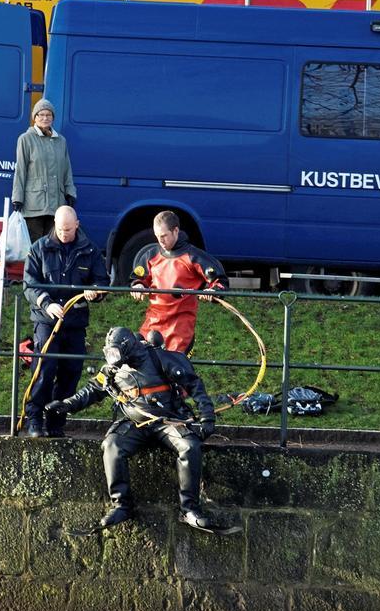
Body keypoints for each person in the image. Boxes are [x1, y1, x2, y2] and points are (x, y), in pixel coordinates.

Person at [45, 326, 216, 530]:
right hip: (134, 423)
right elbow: (92, 391)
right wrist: (66, 404)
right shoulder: (113, 369)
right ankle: (121, 506)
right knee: (112, 445)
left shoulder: (159, 358)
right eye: (109, 352)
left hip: (168, 421)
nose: (112, 357)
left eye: (115, 352)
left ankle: (189, 509)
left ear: (126, 347)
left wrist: (207, 417)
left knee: (189, 446)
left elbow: (194, 384)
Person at [22, 205, 108, 437]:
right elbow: (29, 284)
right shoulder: (39, 249)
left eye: (68, 230)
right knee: (44, 370)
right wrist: (46, 302)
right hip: (47, 321)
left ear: (77, 225)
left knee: (71, 372)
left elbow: (102, 281)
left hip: (75, 321)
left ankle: (56, 421)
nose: (64, 234)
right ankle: (34, 420)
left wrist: (95, 291)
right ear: (55, 226)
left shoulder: (89, 250)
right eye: (60, 229)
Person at [130, 210, 229, 354]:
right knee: (142, 364)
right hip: (153, 322)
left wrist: (213, 292)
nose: (161, 241)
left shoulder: (193, 256)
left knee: (173, 369)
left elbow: (220, 281)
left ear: (176, 231)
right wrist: (138, 285)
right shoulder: (151, 255)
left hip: (180, 326)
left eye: (164, 236)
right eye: (157, 236)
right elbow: (137, 278)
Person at [12, 99, 76, 243]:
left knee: (51, 247)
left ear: (53, 118)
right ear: (35, 118)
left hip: (56, 205)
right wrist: (17, 198)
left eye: (48, 115)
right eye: (41, 115)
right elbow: (20, 171)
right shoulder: (25, 139)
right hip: (33, 204)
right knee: (35, 248)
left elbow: (67, 169)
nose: (45, 118)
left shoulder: (61, 141)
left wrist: (70, 192)